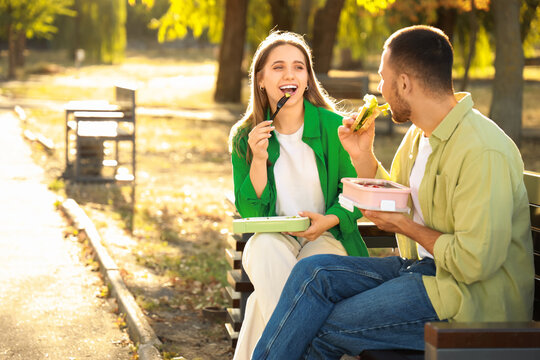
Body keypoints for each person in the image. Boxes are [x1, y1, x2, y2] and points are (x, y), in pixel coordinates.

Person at [251, 25, 534, 360]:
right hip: (421, 271)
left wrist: (406, 226)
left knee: (320, 324)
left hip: (468, 301)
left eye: (383, 79)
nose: (381, 90)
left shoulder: (483, 151)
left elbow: (474, 264)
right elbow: (395, 195)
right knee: (313, 275)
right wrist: (363, 156)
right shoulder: (420, 137)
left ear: (404, 83)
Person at [229, 31, 369, 360]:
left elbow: (355, 194)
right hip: (275, 239)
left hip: (329, 235)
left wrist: (329, 220)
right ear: (260, 80)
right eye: (278, 67)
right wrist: (259, 159)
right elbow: (250, 212)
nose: (290, 74)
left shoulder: (336, 128)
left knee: (261, 305)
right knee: (261, 248)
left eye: (299, 67)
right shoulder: (244, 137)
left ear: (308, 80)